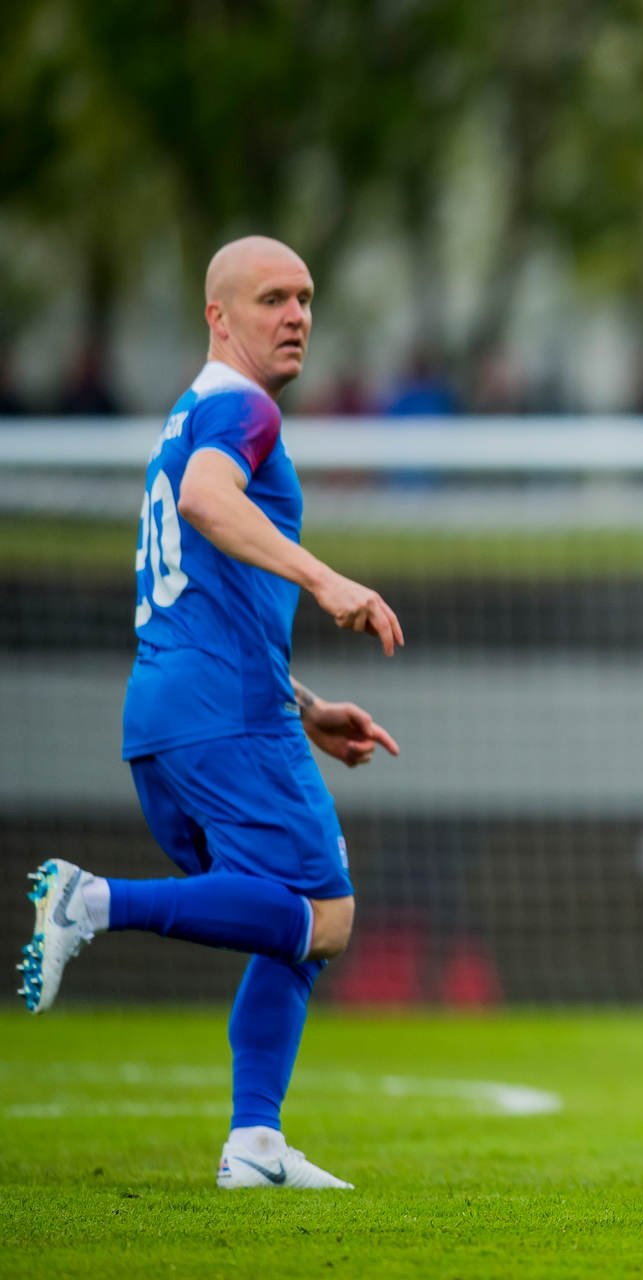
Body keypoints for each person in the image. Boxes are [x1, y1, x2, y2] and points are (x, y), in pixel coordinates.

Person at [17, 236, 405, 1191]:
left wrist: (306, 706)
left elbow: (202, 591)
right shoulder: (243, 408)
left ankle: (256, 1147)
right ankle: (92, 899)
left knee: (290, 921)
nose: (297, 315)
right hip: (223, 718)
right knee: (326, 914)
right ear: (217, 317)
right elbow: (205, 503)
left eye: (307, 297)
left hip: (172, 715)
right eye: (272, 298)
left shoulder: (187, 415)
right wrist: (325, 578)